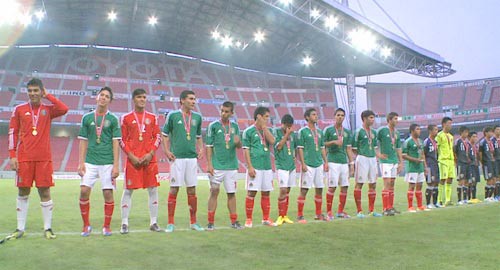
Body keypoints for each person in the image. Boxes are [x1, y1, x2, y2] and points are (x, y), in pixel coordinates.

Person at [7, 78, 68, 240]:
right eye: (30, 91)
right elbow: (12, 132)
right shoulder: (19, 109)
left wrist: (48, 95)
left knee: (45, 191)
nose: (32, 94)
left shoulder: (48, 110)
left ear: (41, 91)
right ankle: (20, 228)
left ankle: (48, 228)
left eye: (36, 90)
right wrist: (12, 155)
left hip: (43, 159)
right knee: (23, 191)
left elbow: (64, 109)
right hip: (24, 158)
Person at [78, 87, 121, 236]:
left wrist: (116, 165)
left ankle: (106, 226)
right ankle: (86, 225)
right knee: (84, 191)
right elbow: (83, 141)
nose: (103, 98)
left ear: (110, 100)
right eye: (101, 95)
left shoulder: (113, 119)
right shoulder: (87, 118)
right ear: (97, 97)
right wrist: (80, 162)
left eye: (107, 96)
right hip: (90, 161)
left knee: (108, 193)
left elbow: (116, 143)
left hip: (107, 161)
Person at [119, 88, 162, 234]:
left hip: (149, 160)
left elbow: (157, 137)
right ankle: (124, 223)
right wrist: (131, 156)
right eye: (139, 97)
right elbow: (122, 140)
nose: (142, 99)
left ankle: (154, 222)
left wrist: (150, 154)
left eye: (144, 97)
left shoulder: (153, 117)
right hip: (133, 160)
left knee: (153, 190)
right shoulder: (126, 118)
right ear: (133, 99)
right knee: (128, 191)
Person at [161, 90, 204, 232]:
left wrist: (201, 149)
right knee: (174, 189)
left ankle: (193, 222)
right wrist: (167, 151)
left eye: (194, 99)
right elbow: (165, 135)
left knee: (192, 189)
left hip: (192, 158)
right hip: (177, 158)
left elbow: (198, 136)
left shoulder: (197, 117)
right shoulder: (173, 116)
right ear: (182, 100)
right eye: (191, 99)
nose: (193, 101)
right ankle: (170, 223)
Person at [206, 101, 243, 230]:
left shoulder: (235, 127)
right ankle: (210, 223)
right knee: (214, 191)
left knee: (231, 194)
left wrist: (238, 142)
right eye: (222, 111)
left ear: (232, 113)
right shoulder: (213, 126)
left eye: (227, 111)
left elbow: (238, 146)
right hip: (216, 166)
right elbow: (209, 146)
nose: (223, 113)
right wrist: (209, 164)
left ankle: (234, 221)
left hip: (231, 166)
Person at [242, 106, 276, 228]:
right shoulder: (248, 131)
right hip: (255, 166)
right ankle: (249, 219)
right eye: (266, 117)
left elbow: (272, 141)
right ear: (259, 116)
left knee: (266, 193)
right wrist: (249, 167)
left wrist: (265, 128)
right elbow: (246, 150)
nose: (268, 119)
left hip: (266, 167)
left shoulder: (267, 130)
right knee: (251, 193)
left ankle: (266, 218)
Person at [296, 108, 329, 223]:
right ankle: (300, 215)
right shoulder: (303, 131)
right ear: (307, 117)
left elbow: (322, 148)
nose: (316, 116)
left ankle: (318, 214)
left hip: (319, 164)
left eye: (316, 114)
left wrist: (326, 162)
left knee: (319, 189)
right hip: (308, 164)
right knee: (304, 190)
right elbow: (300, 149)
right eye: (314, 115)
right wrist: (303, 163)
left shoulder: (320, 132)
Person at [351, 110, 384, 218]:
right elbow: (354, 148)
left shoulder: (374, 132)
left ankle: (371, 210)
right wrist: (361, 156)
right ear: (364, 119)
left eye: (373, 118)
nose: (373, 120)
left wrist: (378, 156)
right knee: (359, 184)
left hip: (372, 159)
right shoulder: (358, 132)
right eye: (370, 118)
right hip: (362, 158)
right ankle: (359, 211)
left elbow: (374, 147)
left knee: (373, 184)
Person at [323, 108, 354, 220]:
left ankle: (340, 211)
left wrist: (351, 164)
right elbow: (323, 144)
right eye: (338, 115)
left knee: (345, 187)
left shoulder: (347, 132)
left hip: (343, 162)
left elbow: (348, 148)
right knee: (332, 187)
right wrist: (333, 142)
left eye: (342, 115)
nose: (340, 117)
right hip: (332, 161)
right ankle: (329, 212)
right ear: (334, 116)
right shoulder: (328, 130)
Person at [377, 112, 404, 216]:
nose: (397, 121)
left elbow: (398, 148)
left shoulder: (396, 133)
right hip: (385, 161)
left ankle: (390, 207)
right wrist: (378, 155)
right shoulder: (382, 130)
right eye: (395, 119)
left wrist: (401, 162)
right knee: (387, 183)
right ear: (389, 120)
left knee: (392, 184)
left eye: (397, 118)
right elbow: (373, 141)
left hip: (394, 161)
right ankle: (385, 208)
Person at [273, 114, 297, 226]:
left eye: (290, 126)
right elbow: (278, 147)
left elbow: (294, 148)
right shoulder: (276, 132)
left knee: (287, 191)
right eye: (287, 126)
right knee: (282, 190)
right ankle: (280, 216)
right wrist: (286, 134)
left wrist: (294, 157)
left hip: (291, 165)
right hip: (281, 165)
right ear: (282, 124)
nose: (289, 128)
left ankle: (285, 215)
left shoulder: (293, 135)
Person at [402, 124, 428, 212]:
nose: (419, 131)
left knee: (420, 185)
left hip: (420, 167)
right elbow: (404, 155)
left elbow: (423, 154)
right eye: (417, 129)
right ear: (412, 131)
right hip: (412, 167)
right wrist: (415, 160)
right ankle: (410, 207)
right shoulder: (407, 142)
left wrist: (425, 167)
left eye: (419, 129)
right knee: (412, 186)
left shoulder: (420, 141)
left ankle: (420, 206)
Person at [436, 117, 455, 206]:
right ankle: (439, 200)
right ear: (444, 124)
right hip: (443, 160)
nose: (450, 125)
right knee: (442, 180)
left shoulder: (451, 136)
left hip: (451, 160)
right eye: (449, 123)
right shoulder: (439, 135)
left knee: (450, 179)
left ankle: (448, 200)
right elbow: (436, 148)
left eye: (451, 123)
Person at [424, 125, 441, 208]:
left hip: (435, 164)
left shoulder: (436, 142)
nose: (437, 131)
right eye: (435, 130)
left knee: (436, 183)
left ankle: (435, 202)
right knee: (430, 183)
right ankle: (428, 204)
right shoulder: (426, 141)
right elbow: (423, 154)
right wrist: (425, 166)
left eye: (437, 130)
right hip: (429, 164)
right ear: (430, 131)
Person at [478, 126, 496, 202]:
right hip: (486, 163)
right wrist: (482, 162)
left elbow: (492, 151)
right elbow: (480, 153)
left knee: (493, 179)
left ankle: (491, 196)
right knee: (489, 179)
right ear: (486, 133)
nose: (492, 133)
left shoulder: (491, 141)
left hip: (492, 162)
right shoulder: (483, 142)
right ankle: (486, 197)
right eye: (490, 132)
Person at [454, 126, 471, 205]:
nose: (466, 134)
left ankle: (465, 199)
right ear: (461, 133)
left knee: (467, 181)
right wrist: (456, 161)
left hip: (467, 164)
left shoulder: (467, 142)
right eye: (465, 132)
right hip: (461, 163)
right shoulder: (458, 141)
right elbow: (454, 152)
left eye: (467, 132)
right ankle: (459, 200)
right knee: (461, 181)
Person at [467, 131, 481, 203]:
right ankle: (469, 198)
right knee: (471, 181)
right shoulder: (467, 145)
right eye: (473, 137)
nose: (475, 138)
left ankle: (474, 197)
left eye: (476, 137)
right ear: (469, 137)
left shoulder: (475, 146)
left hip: (476, 165)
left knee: (475, 181)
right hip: (470, 165)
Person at [492, 125, 500, 200]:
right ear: (494, 131)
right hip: (496, 161)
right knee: (496, 178)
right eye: (497, 129)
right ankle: (496, 195)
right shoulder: (492, 140)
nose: (499, 131)